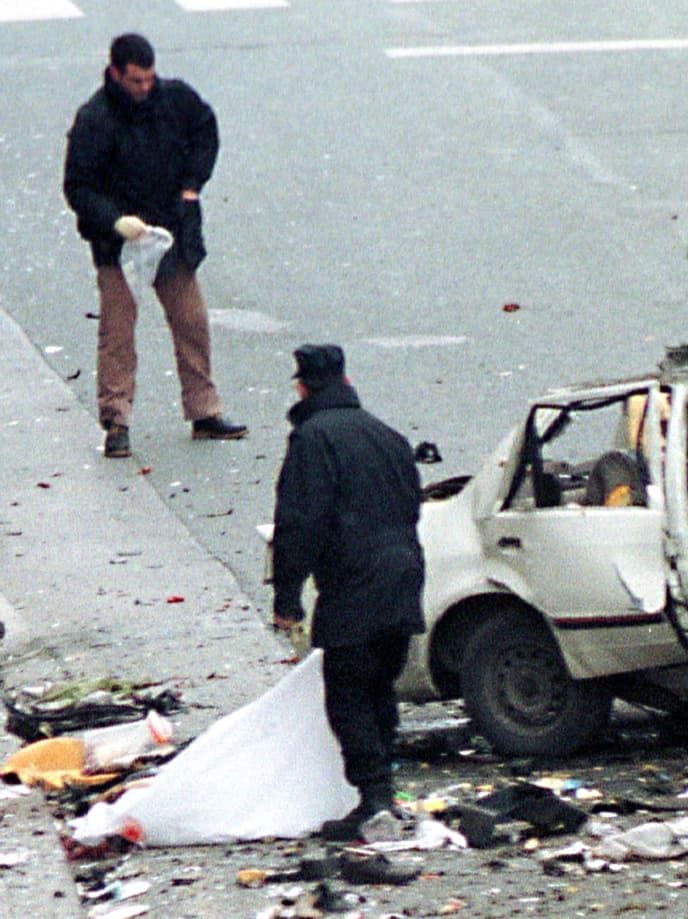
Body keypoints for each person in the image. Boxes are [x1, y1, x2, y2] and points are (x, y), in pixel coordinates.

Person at [63, 33, 246, 458]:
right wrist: (113, 221)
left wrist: (191, 186)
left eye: (148, 79)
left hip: (171, 233)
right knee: (118, 333)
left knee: (192, 322)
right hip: (120, 244)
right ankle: (116, 419)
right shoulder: (95, 120)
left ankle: (204, 409)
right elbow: (78, 186)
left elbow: (205, 132)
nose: (144, 89)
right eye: (135, 82)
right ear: (115, 74)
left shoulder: (175, 100)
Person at [270, 344, 426, 841]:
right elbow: (411, 506)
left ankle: (375, 798)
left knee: (349, 693)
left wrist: (287, 598)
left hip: (354, 585)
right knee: (381, 685)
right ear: (346, 380)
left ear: (301, 388)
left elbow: (299, 523)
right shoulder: (388, 436)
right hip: (403, 578)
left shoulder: (312, 440)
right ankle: (385, 793)